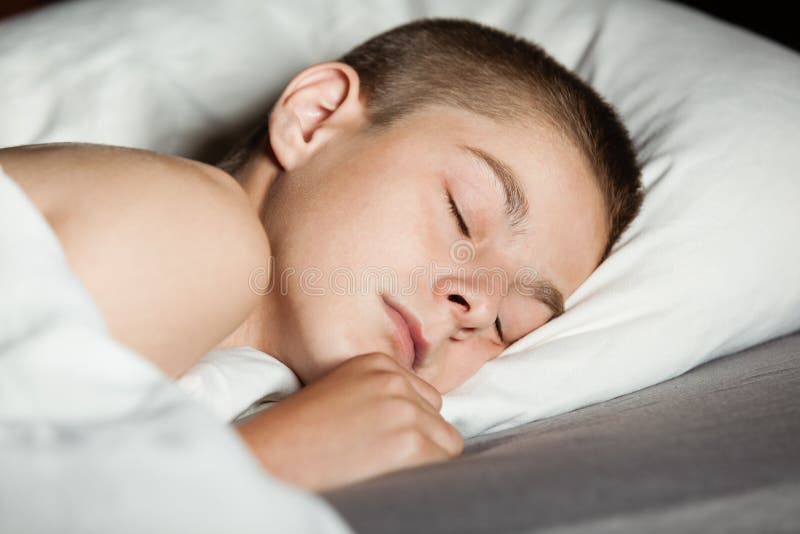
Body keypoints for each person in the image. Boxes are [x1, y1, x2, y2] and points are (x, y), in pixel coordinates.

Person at [0, 18, 643, 492]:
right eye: (461, 214)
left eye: (509, 325)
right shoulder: (196, 222)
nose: (475, 304)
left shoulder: (243, 377)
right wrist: (263, 464)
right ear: (313, 119)